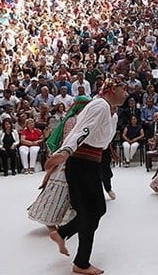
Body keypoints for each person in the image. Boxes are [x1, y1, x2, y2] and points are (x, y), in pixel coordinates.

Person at [44, 77, 127, 275]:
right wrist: (66, 151)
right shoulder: (100, 105)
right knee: (92, 212)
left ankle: (62, 233)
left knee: (95, 211)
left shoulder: (106, 109)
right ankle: (81, 262)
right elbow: (82, 130)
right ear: (112, 89)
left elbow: (100, 137)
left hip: (88, 164)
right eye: (123, 89)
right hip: (81, 163)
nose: (126, 94)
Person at [28, 96, 91, 232]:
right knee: (62, 187)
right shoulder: (72, 120)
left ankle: (68, 218)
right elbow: (68, 140)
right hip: (69, 157)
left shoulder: (80, 120)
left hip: (77, 157)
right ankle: (51, 217)